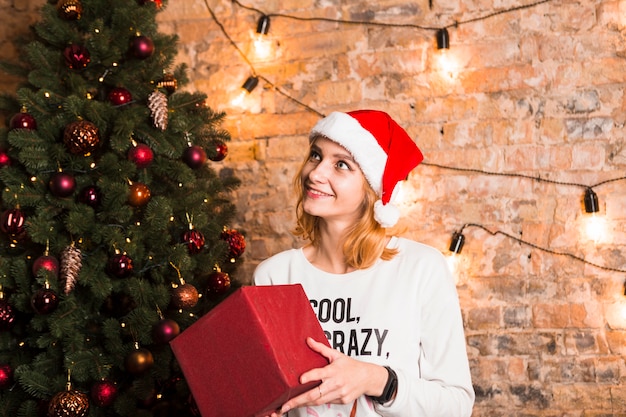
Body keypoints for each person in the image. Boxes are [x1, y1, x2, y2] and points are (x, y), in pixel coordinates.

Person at [254, 110, 474, 417]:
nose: (316, 173)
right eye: (316, 156)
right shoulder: (275, 276)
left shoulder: (422, 268)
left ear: (372, 189)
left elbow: (456, 405)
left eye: (341, 164)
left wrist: (375, 379)